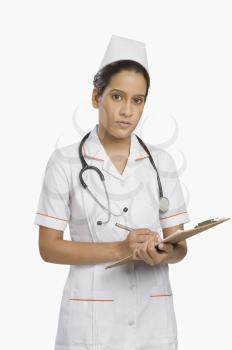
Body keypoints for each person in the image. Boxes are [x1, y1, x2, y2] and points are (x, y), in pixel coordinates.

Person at [34, 35, 190, 350]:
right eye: (117, 97)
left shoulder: (161, 162)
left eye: (138, 100)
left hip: (152, 319)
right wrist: (122, 249)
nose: (127, 111)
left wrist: (162, 251)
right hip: (90, 320)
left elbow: (180, 248)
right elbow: (49, 248)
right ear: (96, 97)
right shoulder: (64, 161)